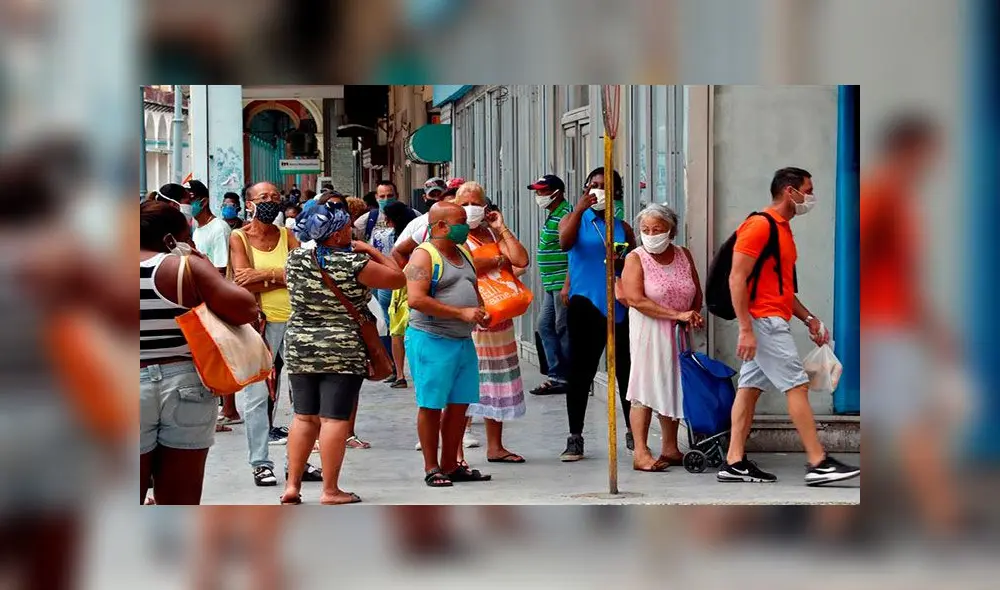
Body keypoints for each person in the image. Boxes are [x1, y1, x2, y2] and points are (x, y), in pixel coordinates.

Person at [719, 167, 860, 485]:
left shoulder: (783, 230)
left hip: (771, 317)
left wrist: (809, 318)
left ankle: (734, 461)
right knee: (797, 385)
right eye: (808, 190)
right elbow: (736, 277)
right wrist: (745, 328)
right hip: (764, 322)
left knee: (749, 388)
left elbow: (782, 289)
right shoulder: (759, 226)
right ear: (789, 191)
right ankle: (818, 462)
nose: (811, 196)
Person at [862, 116, 960, 532]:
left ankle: (832, 528)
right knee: (915, 425)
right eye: (928, 151)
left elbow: (904, 276)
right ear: (908, 149)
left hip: (893, 327)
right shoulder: (882, 194)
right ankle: (945, 521)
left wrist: (935, 330)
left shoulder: (898, 198)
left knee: (880, 429)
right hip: (885, 330)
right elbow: (862, 260)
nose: (934, 161)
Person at [279, 201, 406, 505]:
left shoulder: (294, 259)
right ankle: (330, 490)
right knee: (334, 419)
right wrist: (373, 251)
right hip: (341, 347)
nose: (353, 230)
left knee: (303, 417)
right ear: (336, 235)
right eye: (347, 226)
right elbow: (399, 278)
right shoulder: (354, 264)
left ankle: (292, 487)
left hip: (300, 344)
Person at [140, 201, 259, 504]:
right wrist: (201, 264)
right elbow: (246, 308)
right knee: (181, 499)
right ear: (171, 240)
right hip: (185, 384)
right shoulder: (183, 268)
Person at [229, 182, 320, 486]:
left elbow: (304, 275)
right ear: (250, 203)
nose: (270, 202)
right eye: (263, 198)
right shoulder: (239, 237)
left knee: (301, 394)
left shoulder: (287, 235)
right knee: (257, 396)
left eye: (275, 198)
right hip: (259, 325)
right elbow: (242, 281)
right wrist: (283, 275)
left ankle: (298, 462)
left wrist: (265, 275)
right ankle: (260, 463)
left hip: (296, 321)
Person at [405, 201, 493, 487]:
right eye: (460, 221)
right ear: (441, 225)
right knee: (431, 404)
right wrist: (460, 312)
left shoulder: (463, 252)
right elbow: (415, 299)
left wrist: (480, 310)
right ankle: (432, 466)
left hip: (461, 340)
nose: (466, 226)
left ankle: (451, 464)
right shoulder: (421, 257)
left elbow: (472, 286)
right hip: (432, 339)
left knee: (459, 404)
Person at [557, 167, 636, 461]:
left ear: (616, 192)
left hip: (618, 304)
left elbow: (634, 263)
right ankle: (575, 437)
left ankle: (633, 433)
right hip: (585, 301)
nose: (599, 190)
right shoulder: (575, 221)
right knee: (580, 371)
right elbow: (565, 244)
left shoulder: (622, 227)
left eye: (606, 186)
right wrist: (579, 209)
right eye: (594, 185)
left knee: (627, 372)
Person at [619, 204, 704, 472]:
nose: (651, 234)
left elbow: (696, 291)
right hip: (649, 331)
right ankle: (641, 451)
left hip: (678, 332)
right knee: (644, 388)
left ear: (671, 230)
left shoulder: (683, 255)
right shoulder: (636, 258)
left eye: (657, 229)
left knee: (673, 383)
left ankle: (670, 446)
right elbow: (635, 299)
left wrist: (692, 314)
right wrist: (675, 314)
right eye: (645, 230)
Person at [455, 182, 530, 463]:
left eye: (476, 203)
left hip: (498, 318)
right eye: (465, 203)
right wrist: (499, 260)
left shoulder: (490, 232)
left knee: (496, 383)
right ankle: (456, 445)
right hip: (469, 318)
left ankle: (495, 446)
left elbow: (521, 259)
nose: (471, 209)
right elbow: (465, 264)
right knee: (467, 381)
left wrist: (501, 229)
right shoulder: (452, 234)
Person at [527, 174, 573, 395]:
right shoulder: (554, 215)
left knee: (562, 328)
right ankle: (557, 374)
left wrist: (567, 284)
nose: (539, 196)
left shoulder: (566, 215)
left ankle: (566, 377)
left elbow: (574, 251)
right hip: (550, 282)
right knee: (545, 326)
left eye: (542, 191)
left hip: (561, 282)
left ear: (557, 192)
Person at [354, 181, 403, 381]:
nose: (385, 199)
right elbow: (356, 240)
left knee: (397, 322)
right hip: (376, 277)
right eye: (381, 196)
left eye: (389, 195)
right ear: (376, 198)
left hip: (401, 276)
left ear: (396, 195)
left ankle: (397, 366)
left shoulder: (410, 215)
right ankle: (389, 363)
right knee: (382, 321)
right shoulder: (368, 219)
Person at [382, 201, 420, 389]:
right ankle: (404, 373)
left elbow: (397, 257)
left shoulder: (412, 230)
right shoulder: (419, 224)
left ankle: (399, 374)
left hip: (402, 284)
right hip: (414, 283)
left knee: (397, 330)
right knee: (404, 330)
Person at [187, 180, 232, 274]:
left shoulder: (219, 228)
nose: (185, 206)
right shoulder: (197, 230)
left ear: (203, 203)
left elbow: (221, 270)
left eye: (188, 202)